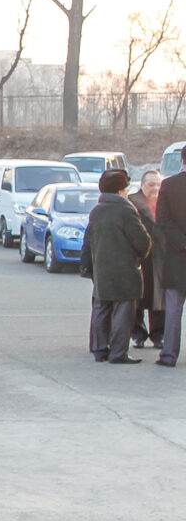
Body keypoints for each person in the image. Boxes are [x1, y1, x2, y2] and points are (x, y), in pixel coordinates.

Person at [81, 168, 152, 365]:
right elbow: (142, 242)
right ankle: (118, 352)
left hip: (102, 269)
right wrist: (140, 255)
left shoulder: (97, 211)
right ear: (121, 190)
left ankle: (99, 349)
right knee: (123, 311)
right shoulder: (126, 210)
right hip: (125, 270)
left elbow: (89, 241)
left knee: (101, 308)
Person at [156, 145, 186, 367]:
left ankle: (168, 355)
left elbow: (163, 222)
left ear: (181, 160)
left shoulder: (169, 185)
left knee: (173, 310)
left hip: (177, 258)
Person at [131, 170, 165, 349]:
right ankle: (138, 333)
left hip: (160, 259)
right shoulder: (132, 202)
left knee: (159, 299)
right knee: (136, 299)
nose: (155, 188)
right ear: (142, 185)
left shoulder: (165, 202)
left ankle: (158, 334)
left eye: (158, 184)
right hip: (139, 258)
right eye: (151, 184)